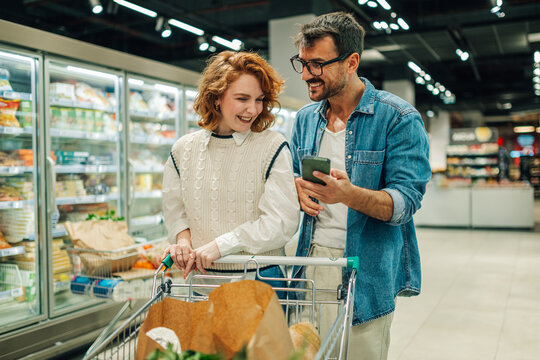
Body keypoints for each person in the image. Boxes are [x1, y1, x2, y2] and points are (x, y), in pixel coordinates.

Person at [288, 12, 431, 359]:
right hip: (311, 262)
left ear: (351, 61)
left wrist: (348, 196)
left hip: (366, 270)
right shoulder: (306, 119)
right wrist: (296, 187)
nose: (307, 74)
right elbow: (292, 176)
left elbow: (406, 201)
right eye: (303, 63)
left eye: (318, 64)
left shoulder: (398, 118)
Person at [161, 51, 299, 292]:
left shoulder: (272, 147)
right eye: (242, 98)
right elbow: (175, 211)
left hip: (260, 280)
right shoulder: (183, 150)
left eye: (259, 99)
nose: (252, 109)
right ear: (216, 98)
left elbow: (281, 223)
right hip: (201, 282)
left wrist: (221, 245)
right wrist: (182, 242)